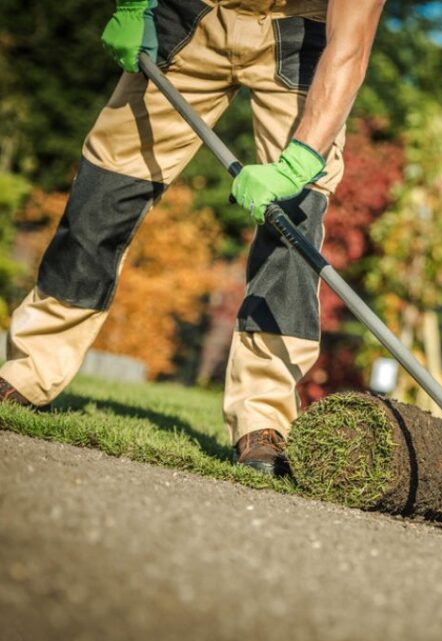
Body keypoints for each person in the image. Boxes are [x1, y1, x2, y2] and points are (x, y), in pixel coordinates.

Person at [0, 0, 385, 475]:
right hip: (194, 13)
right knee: (105, 191)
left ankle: (263, 420)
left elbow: (350, 45)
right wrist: (133, 3)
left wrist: (300, 162)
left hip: (300, 34)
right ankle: (28, 371)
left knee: (294, 219)